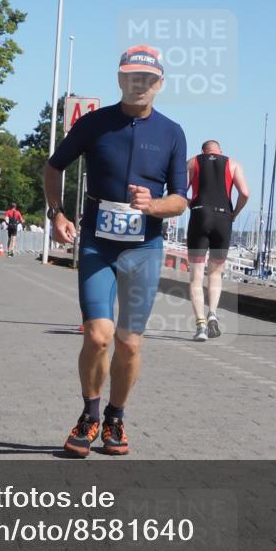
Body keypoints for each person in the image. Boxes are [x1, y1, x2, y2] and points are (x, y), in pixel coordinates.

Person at [44, 45, 187, 457]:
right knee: (98, 334)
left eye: (147, 78)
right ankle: (89, 415)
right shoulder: (94, 124)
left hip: (144, 248)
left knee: (129, 343)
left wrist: (154, 205)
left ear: (159, 84)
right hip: (98, 246)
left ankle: (116, 417)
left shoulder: (172, 132)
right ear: (120, 80)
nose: (138, 84)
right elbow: (54, 166)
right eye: (131, 77)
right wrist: (57, 214)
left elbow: (180, 198)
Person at [185, 140, 249, 341]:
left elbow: (178, 190)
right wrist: (235, 213)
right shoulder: (233, 164)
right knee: (215, 273)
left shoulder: (193, 162)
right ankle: (212, 313)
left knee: (196, 276)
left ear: (202, 151)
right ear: (220, 151)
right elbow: (245, 193)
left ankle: (201, 326)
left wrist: (192, 205)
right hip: (223, 218)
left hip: (199, 216)